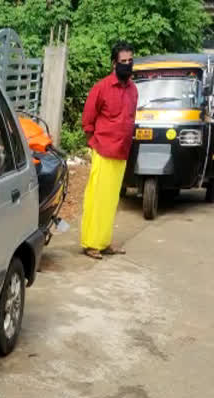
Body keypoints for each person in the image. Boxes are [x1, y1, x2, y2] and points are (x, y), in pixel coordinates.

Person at [80, 41, 138, 260]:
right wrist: (93, 142)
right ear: (114, 63)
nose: (127, 64)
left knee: (112, 199)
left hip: (122, 151)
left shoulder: (133, 90)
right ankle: (90, 243)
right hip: (103, 150)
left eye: (130, 60)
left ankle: (104, 241)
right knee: (97, 197)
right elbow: (88, 119)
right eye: (123, 61)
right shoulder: (102, 87)